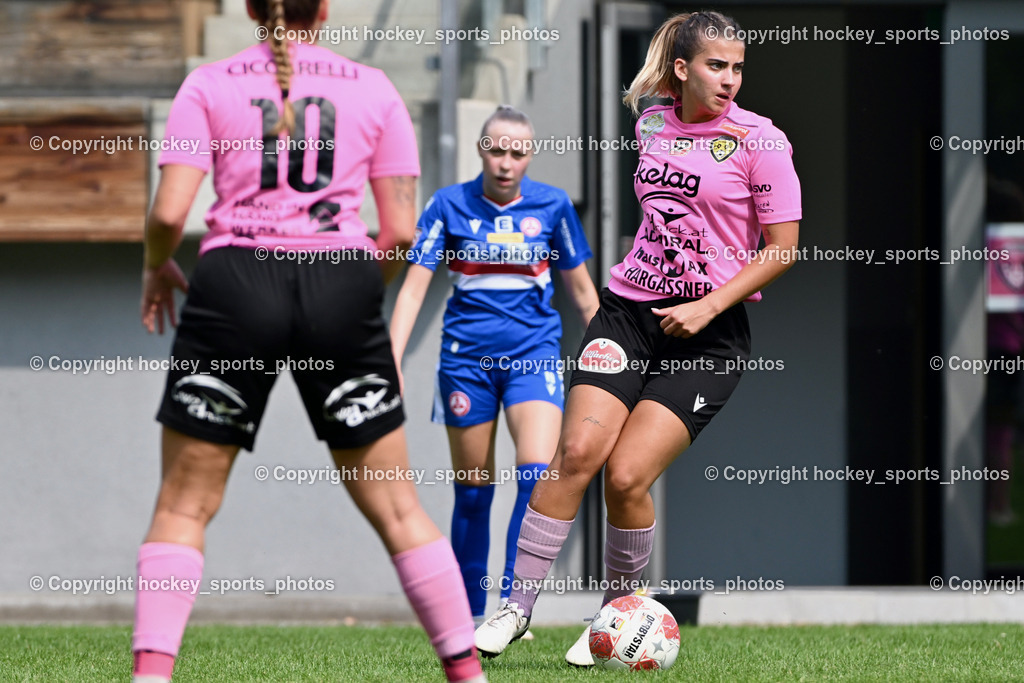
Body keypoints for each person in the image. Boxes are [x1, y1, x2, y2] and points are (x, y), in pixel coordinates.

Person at [131, 1, 484, 681]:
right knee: (400, 506)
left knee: (183, 504)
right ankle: (469, 672)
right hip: (340, 282)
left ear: (249, 9)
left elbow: (172, 212)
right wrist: (348, 291)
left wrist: (155, 264)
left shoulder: (208, 84)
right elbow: (401, 233)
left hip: (234, 282)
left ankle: (152, 676)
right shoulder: (376, 89)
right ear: (324, 10)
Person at [473, 10, 801, 666]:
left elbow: (784, 249)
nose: (730, 79)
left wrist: (707, 306)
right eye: (715, 65)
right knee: (577, 451)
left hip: (708, 333)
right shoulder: (652, 120)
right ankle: (515, 608)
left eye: (738, 67)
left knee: (625, 476)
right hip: (628, 314)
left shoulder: (762, 142)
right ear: (682, 69)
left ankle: (612, 621)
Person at [389, 105, 600, 629]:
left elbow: (583, 295)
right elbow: (414, 289)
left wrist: (609, 361)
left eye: (518, 151)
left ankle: (512, 609)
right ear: (481, 150)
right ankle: (464, 615)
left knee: (535, 475)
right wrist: (389, 360)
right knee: (474, 492)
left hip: (534, 355)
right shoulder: (448, 204)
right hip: (465, 362)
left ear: (530, 155)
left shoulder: (552, 207)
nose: (506, 162)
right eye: (497, 149)